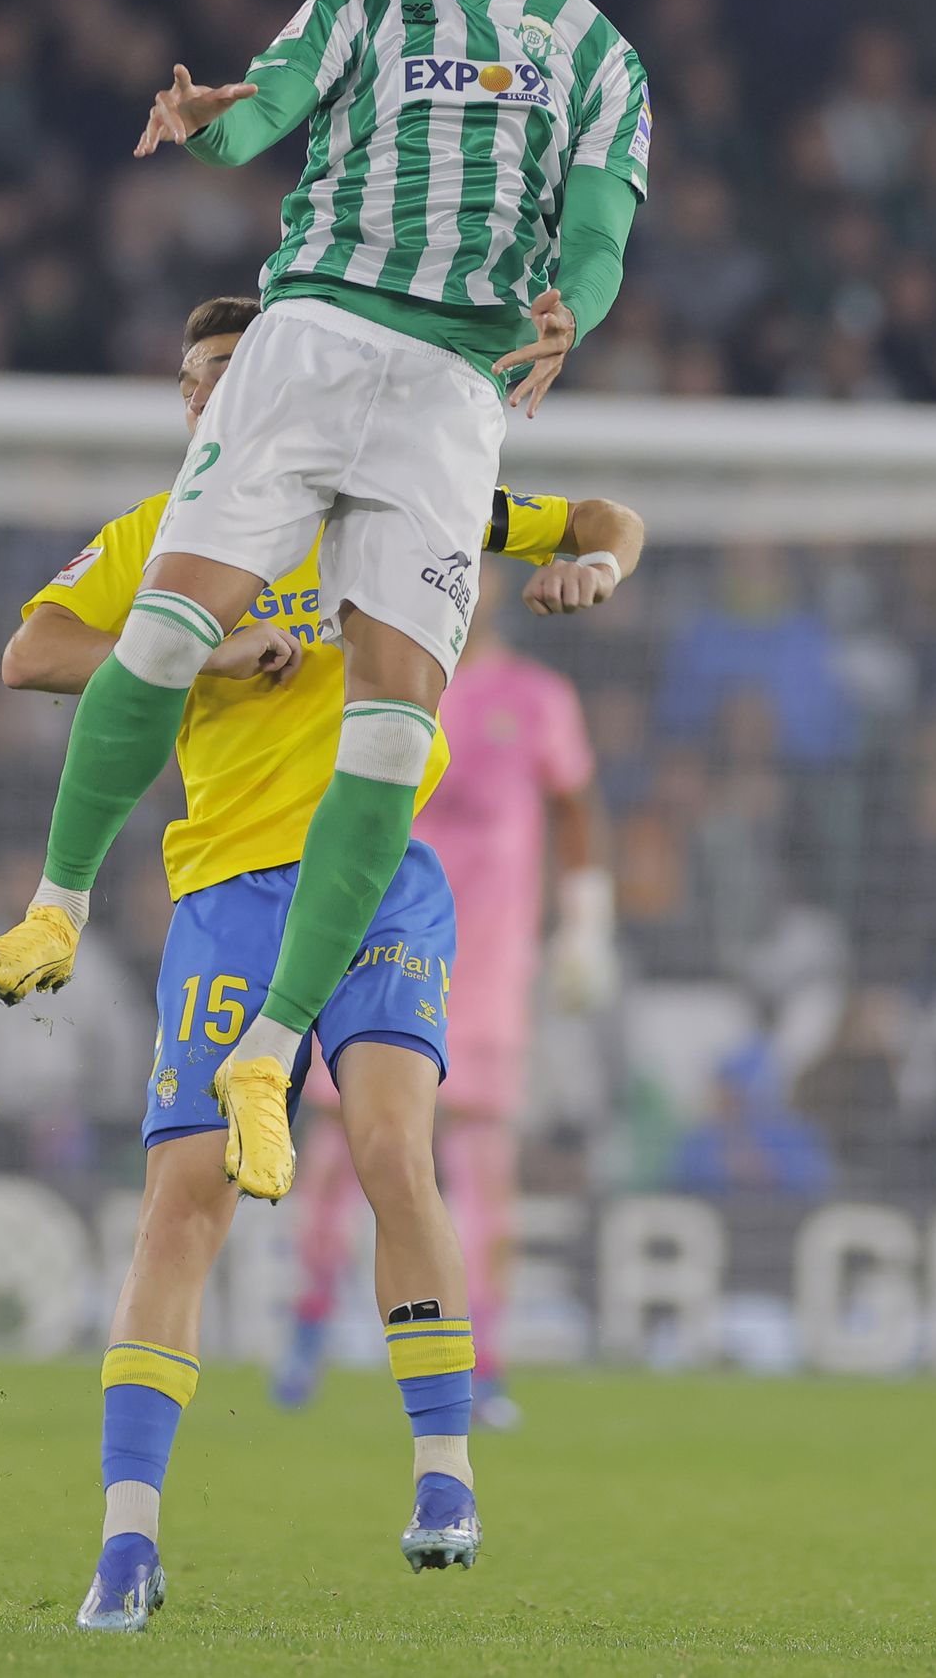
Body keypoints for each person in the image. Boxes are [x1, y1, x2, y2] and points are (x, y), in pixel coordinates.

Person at [0, 0, 651, 1205]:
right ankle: (54, 907)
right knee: (164, 631)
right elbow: (265, 101)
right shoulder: (363, 0)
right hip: (316, 339)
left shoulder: (597, 55)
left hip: (457, 392)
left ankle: (270, 1058)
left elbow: (598, 228)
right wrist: (218, 123)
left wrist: (571, 308)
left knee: (394, 741)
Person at [0, 297, 644, 1631]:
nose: (218, 396)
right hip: (229, 896)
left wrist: (597, 569)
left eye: (239, 370)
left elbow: (602, 518)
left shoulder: (406, 499)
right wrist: (202, 651)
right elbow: (31, 652)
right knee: (185, 1201)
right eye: (201, 381)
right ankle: (126, 1545)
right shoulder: (165, 546)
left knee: (401, 1147)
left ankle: (447, 1474)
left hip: (383, 889)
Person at [274, 562, 617, 1427]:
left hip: (490, 962)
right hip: (378, 940)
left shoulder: (536, 697)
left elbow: (576, 807)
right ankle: (307, 1326)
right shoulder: (378, 672)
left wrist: (586, 923)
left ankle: (485, 1360)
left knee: (479, 1159)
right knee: (337, 1142)